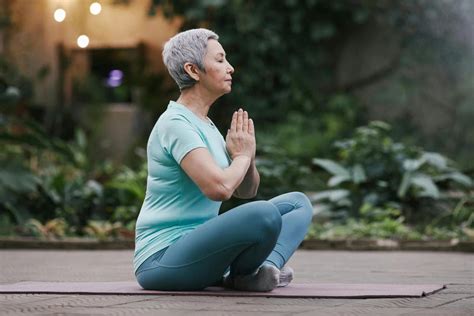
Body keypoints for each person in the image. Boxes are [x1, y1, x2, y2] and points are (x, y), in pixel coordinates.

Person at [134, 28, 313, 292]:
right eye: (219, 60)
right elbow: (219, 189)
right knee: (263, 213)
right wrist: (240, 156)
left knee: (297, 203)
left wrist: (247, 156)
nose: (230, 68)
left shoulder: (206, 125)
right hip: (162, 259)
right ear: (193, 70)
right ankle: (243, 275)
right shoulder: (175, 123)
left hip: (201, 252)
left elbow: (245, 191)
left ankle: (262, 271)